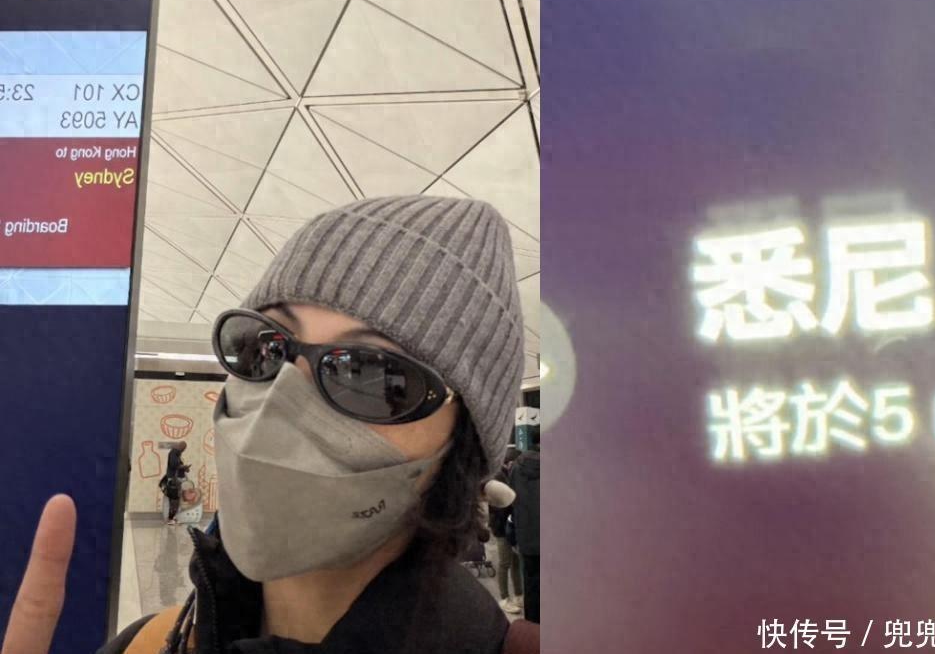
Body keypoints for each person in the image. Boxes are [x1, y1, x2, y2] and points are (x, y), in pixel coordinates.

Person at [1, 196, 540, 654]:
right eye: (264, 346)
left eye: (370, 373)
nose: (280, 400)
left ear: (462, 445)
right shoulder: (150, 642)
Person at [489, 445, 524, 614]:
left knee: (515, 562)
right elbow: (498, 506)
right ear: (508, 462)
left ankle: (518, 594)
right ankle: (504, 598)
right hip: (501, 527)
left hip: (511, 525)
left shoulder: (510, 475)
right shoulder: (497, 477)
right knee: (504, 563)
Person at [508, 445, 539, 623]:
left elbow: (511, 503)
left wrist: (512, 535)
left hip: (526, 538)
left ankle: (532, 625)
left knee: (530, 585)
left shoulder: (516, 469)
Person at [159, 441, 189, 526]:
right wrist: (183, 467)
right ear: (181, 447)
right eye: (183, 448)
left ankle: (173, 517)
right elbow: (173, 465)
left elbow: (176, 466)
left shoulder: (177, 454)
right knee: (173, 500)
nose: (183, 450)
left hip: (175, 480)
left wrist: (184, 468)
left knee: (175, 499)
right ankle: (170, 518)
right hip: (173, 480)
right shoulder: (173, 453)